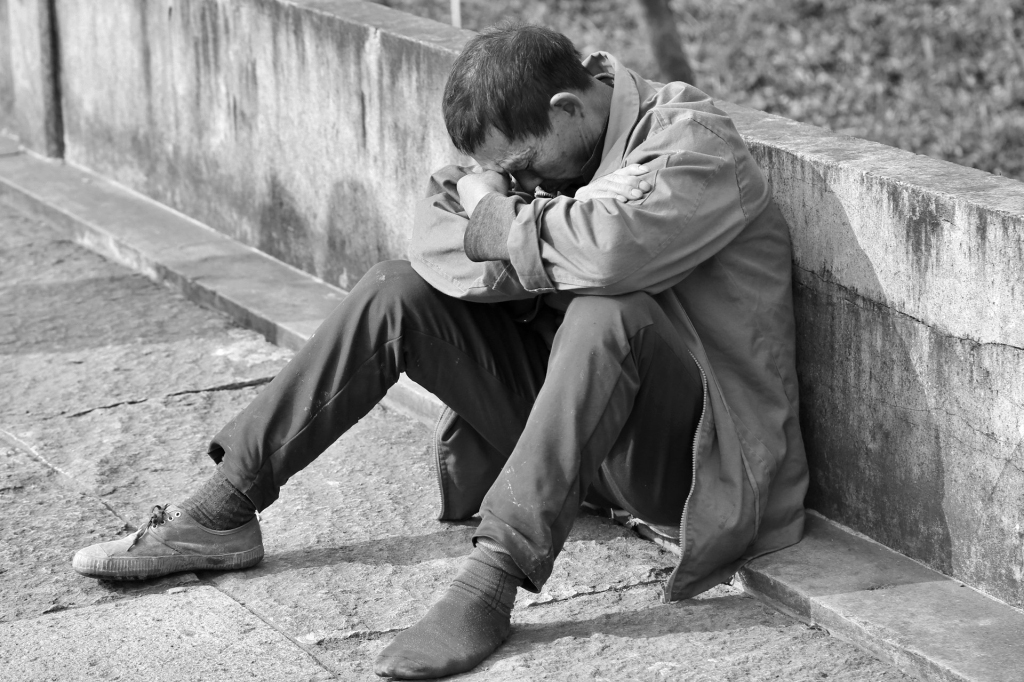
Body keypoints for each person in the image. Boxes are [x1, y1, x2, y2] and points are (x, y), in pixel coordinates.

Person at [72, 21, 808, 680]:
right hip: (575, 438)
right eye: (505, 175)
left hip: (687, 464)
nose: (516, 184)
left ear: (569, 110)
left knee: (609, 310)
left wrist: (499, 218)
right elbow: (433, 241)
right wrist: (520, 220)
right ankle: (224, 507)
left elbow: (611, 256)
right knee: (395, 289)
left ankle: (492, 580)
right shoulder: (532, 148)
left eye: (522, 166)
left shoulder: (690, 143)